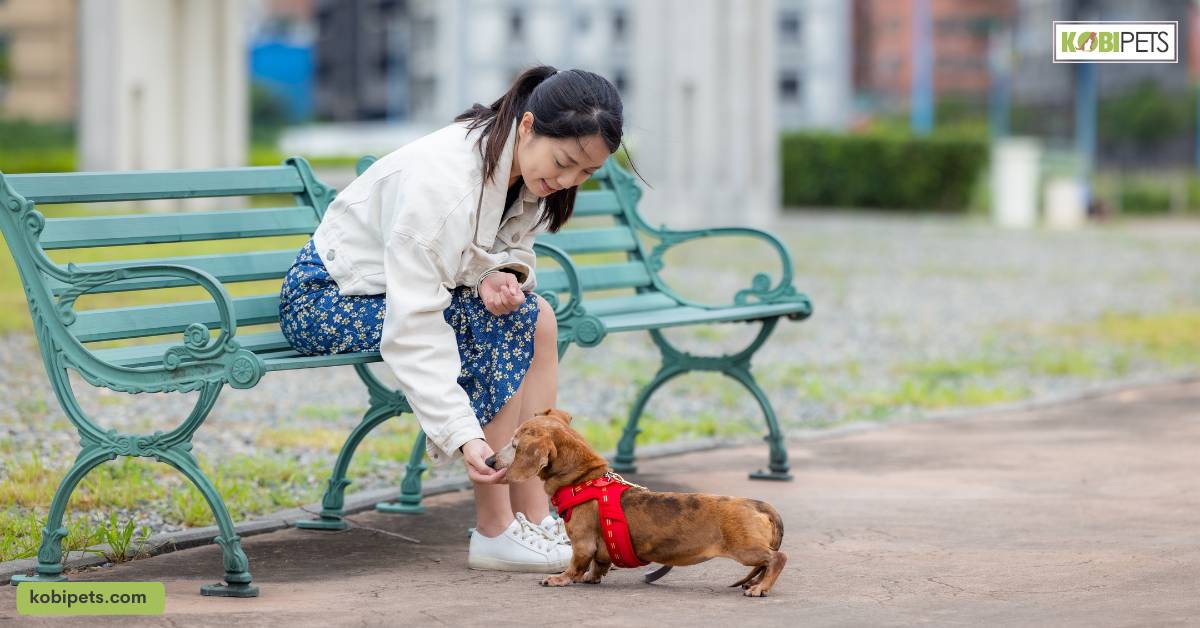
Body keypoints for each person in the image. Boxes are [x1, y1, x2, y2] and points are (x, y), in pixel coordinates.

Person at [278, 66, 626, 572]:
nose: (568, 181)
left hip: (390, 290)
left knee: (539, 315)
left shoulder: (520, 167)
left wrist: (499, 274)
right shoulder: (444, 185)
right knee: (499, 324)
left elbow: (506, 250)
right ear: (528, 126)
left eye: (585, 173)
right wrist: (465, 435)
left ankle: (534, 512)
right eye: (565, 162)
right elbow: (414, 322)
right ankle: (496, 530)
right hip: (327, 299)